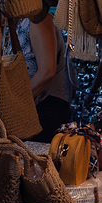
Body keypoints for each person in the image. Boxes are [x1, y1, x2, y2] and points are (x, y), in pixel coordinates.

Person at [16, 9, 71, 142]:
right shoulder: (18, 23)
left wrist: (16, 102)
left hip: (46, 107)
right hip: (31, 108)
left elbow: (47, 72)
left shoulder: (38, 20)